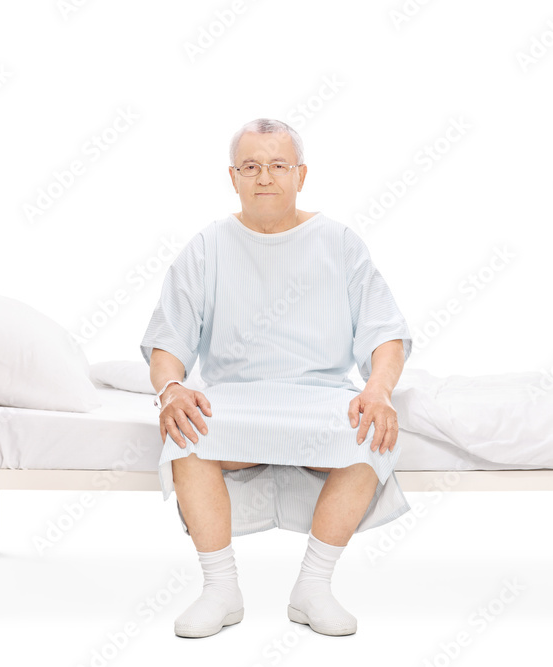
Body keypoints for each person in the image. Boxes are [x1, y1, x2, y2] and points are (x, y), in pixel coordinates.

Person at [140, 118, 413, 639]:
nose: (265, 176)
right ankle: (220, 588)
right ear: (233, 177)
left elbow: (385, 334)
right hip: (233, 400)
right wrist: (172, 389)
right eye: (251, 166)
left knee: (371, 435)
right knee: (187, 435)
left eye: (278, 165)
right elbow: (166, 343)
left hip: (321, 398)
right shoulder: (207, 247)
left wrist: (377, 390)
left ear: (301, 175)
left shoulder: (339, 243)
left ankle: (314, 585)